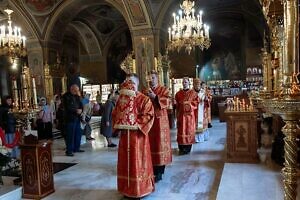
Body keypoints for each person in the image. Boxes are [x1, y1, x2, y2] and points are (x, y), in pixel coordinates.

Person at [112, 74, 155, 199]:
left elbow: (149, 115)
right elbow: (115, 114)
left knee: (138, 163)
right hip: (125, 137)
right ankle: (126, 188)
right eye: (128, 82)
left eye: (133, 83)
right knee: (125, 162)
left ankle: (140, 189)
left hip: (138, 138)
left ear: (137, 85)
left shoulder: (144, 99)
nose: (130, 85)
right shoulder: (122, 98)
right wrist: (120, 122)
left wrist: (135, 123)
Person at [144, 70, 172, 183]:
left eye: (153, 78)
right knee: (150, 145)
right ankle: (152, 169)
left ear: (157, 78)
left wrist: (155, 97)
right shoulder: (145, 90)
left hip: (160, 122)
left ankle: (160, 171)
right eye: (149, 78)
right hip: (148, 121)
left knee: (160, 144)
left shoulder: (163, 89)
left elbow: (168, 101)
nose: (151, 80)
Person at [175, 77, 199, 155]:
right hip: (181, 116)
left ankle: (188, 148)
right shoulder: (178, 93)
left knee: (188, 130)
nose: (184, 83)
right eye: (183, 82)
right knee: (181, 130)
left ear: (189, 83)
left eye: (186, 82)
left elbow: (196, 103)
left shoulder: (193, 93)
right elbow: (176, 104)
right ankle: (181, 147)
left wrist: (187, 104)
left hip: (189, 117)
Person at [62, 84, 84, 156]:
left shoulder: (77, 96)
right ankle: (69, 151)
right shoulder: (66, 96)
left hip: (77, 118)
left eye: (77, 90)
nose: (77, 92)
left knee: (78, 134)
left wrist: (81, 110)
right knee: (70, 135)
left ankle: (76, 148)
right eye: (76, 90)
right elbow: (67, 107)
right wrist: (75, 110)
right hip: (70, 118)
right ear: (72, 89)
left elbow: (81, 104)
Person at [193, 78, 206, 143]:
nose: (197, 85)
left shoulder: (202, 91)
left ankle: (200, 138)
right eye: (195, 83)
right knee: (193, 124)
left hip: (200, 110)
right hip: (193, 111)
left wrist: (205, 99)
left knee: (200, 124)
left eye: (198, 84)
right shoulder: (191, 92)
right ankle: (194, 138)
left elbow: (204, 99)